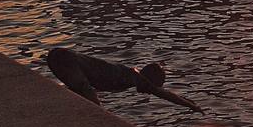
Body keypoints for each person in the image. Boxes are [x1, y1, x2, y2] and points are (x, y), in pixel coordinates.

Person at [46, 47, 202, 111]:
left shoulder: (128, 74)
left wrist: (188, 101)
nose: (149, 92)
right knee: (94, 105)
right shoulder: (133, 76)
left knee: (84, 94)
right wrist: (189, 105)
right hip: (65, 59)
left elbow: (161, 91)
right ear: (149, 79)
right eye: (153, 86)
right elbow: (162, 93)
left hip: (60, 57)